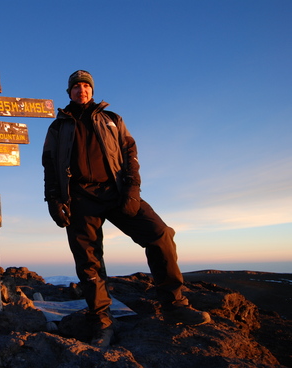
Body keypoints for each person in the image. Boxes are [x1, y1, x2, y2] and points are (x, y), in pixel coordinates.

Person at [42, 70, 210, 349]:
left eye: (86, 86)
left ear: (92, 91)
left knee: (160, 234)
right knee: (88, 260)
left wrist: (133, 190)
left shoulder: (112, 119)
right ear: (68, 92)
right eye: (76, 87)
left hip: (116, 192)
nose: (81, 90)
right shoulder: (58, 128)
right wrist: (53, 200)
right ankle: (102, 320)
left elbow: (130, 154)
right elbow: (49, 165)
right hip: (80, 199)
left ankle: (174, 305)